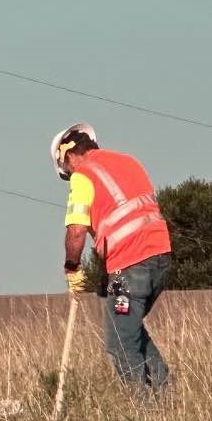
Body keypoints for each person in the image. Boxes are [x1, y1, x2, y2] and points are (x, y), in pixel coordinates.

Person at [51, 123, 173, 389]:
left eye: (66, 170)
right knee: (129, 331)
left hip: (128, 270)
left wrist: (72, 268)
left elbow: (76, 231)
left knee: (120, 343)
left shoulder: (82, 176)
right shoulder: (129, 162)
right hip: (161, 259)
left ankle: (146, 412)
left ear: (68, 156)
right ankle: (165, 398)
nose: (69, 175)